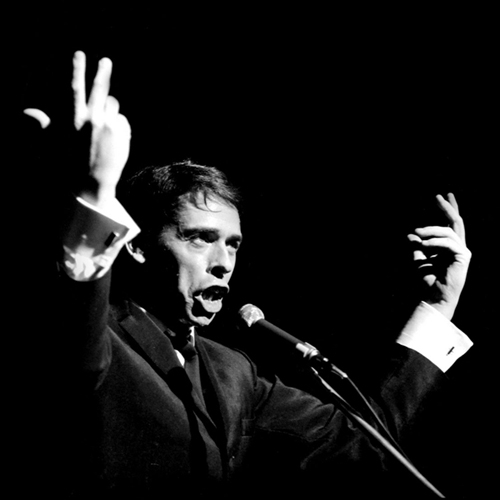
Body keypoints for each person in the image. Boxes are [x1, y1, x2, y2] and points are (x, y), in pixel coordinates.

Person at [25, 51, 472, 499]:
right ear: (138, 246)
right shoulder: (98, 335)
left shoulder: (233, 371)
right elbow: (74, 347)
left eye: (233, 244)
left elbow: (367, 444)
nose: (223, 261)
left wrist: (438, 306)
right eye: (200, 238)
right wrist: (93, 196)